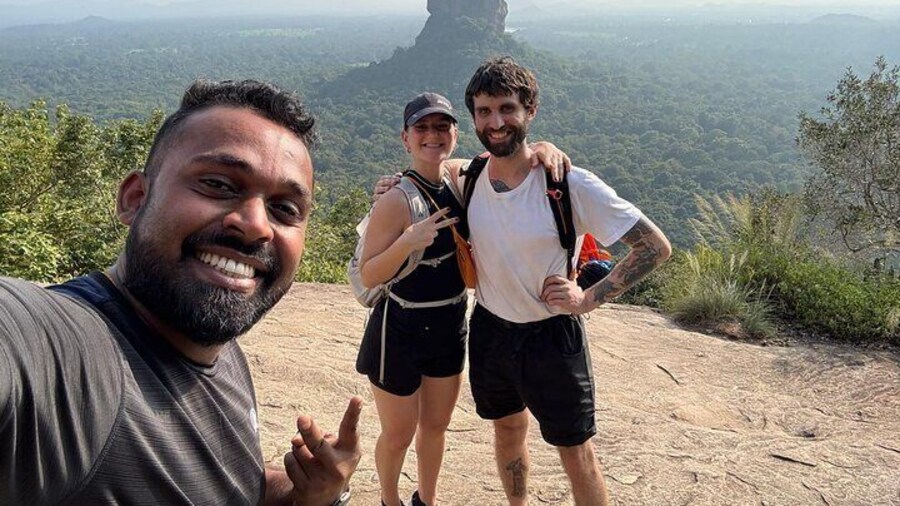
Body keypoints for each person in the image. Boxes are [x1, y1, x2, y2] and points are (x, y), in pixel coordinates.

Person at [0, 79, 361, 506]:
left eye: (284, 209)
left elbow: (225, 485)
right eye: (219, 184)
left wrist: (313, 493)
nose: (256, 225)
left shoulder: (219, 351)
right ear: (134, 198)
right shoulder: (65, 352)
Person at [375, 57, 671, 505]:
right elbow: (430, 165)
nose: (496, 122)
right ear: (473, 117)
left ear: (530, 110)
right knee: (508, 431)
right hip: (491, 330)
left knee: (577, 454)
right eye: (485, 111)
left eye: (507, 109)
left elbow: (654, 246)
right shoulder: (469, 176)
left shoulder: (568, 184)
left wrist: (588, 298)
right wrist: (395, 184)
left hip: (551, 336)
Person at [357, 92, 570, 506]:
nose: (432, 136)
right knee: (399, 432)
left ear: (455, 134)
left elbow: (511, 159)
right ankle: (389, 500)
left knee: (435, 426)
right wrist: (407, 241)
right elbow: (369, 273)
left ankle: (427, 500)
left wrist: (544, 148)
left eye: (441, 127)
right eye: (422, 128)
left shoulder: (459, 178)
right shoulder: (396, 199)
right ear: (405, 138)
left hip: (449, 323)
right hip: (399, 328)